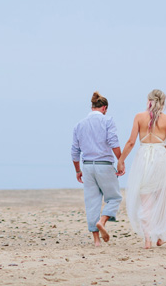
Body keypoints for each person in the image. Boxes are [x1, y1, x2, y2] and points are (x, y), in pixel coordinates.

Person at [117, 89, 166, 249]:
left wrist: (121, 160)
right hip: (160, 159)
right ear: (163, 102)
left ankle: (148, 240)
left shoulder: (139, 117)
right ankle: (162, 236)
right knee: (161, 199)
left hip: (143, 158)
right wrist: (162, 147)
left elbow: (130, 142)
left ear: (148, 101)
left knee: (145, 202)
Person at [70, 91, 124, 246]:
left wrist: (77, 170)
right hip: (104, 165)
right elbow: (113, 142)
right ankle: (102, 221)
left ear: (92, 106)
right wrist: (120, 161)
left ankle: (96, 240)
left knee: (92, 202)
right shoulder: (107, 121)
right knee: (114, 198)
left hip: (87, 166)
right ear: (104, 108)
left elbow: (75, 151)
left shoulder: (79, 125)